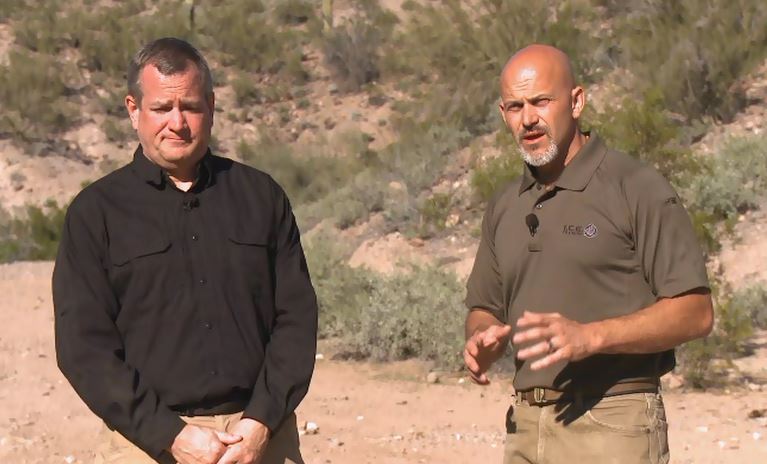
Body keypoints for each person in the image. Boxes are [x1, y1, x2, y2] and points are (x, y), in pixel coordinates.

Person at [53, 37, 318, 464]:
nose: (177, 123)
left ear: (211, 107)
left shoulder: (261, 197)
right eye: (161, 108)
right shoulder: (95, 213)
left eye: (190, 107)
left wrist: (260, 422)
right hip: (146, 445)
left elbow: (297, 319)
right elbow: (84, 347)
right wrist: (168, 434)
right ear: (133, 109)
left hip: (260, 440)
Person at [463, 44, 714, 463]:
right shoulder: (505, 203)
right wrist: (480, 338)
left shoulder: (634, 186)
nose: (528, 118)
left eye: (542, 101)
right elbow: (484, 307)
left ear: (576, 101)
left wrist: (592, 336)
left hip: (612, 422)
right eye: (514, 106)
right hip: (524, 426)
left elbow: (696, 312)